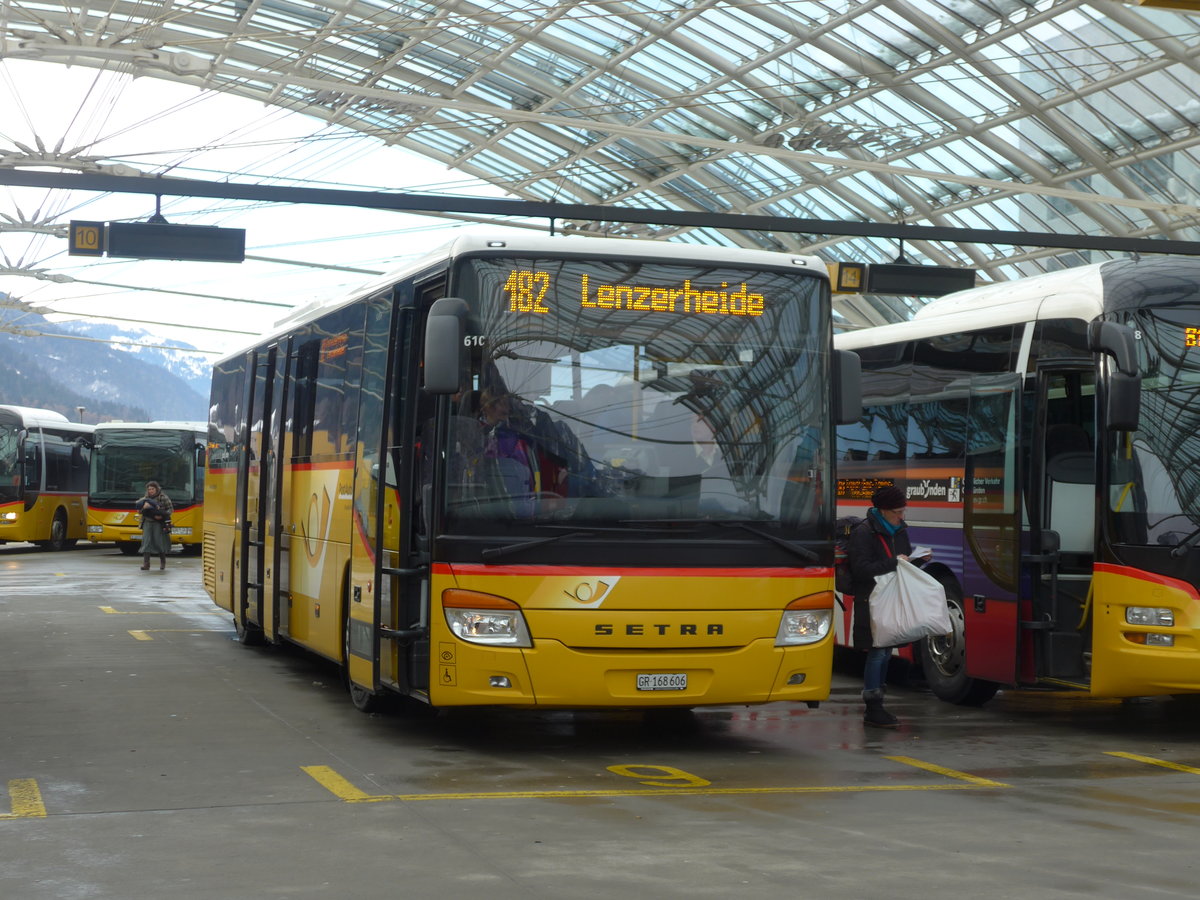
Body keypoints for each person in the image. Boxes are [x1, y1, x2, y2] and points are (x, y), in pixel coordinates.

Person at [846, 484, 931, 728]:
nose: (902, 516)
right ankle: (873, 706)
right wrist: (894, 562)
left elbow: (901, 565)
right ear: (883, 510)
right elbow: (861, 570)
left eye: (903, 511)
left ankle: (877, 706)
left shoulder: (900, 531)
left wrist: (917, 561)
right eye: (897, 512)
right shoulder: (864, 532)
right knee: (877, 652)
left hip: (892, 599)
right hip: (872, 600)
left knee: (885, 652)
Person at [135, 481, 173, 571]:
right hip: (147, 522)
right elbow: (139, 511)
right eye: (149, 489)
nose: (150, 491)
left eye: (152, 489)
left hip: (158, 523)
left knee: (159, 542)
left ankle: (163, 562)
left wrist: (161, 515)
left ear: (156, 489)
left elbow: (170, 509)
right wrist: (144, 507)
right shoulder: (145, 499)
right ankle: (146, 564)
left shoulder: (163, 497)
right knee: (146, 543)